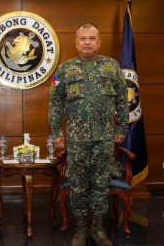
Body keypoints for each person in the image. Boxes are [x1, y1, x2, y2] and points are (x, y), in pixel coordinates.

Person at [48, 23, 128, 246]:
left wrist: (122, 128)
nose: (87, 42)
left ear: (99, 42)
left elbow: (123, 99)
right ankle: (81, 231)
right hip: (76, 139)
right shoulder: (63, 70)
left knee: (101, 184)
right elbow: (55, 103)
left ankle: (99, 230)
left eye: (92, 38)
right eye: (83, 38)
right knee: (79, 185)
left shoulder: (112, 67)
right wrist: (56, 132)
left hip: (104, 139)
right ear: (76, 42)